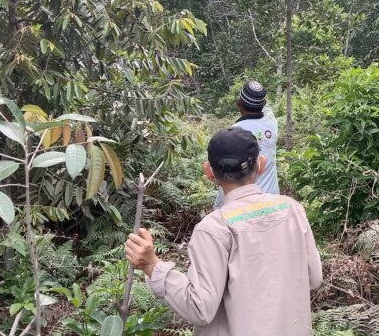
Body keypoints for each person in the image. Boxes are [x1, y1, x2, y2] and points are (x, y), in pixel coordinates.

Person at [125, 127, 323, 335]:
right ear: (261, 164)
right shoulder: (291, 208)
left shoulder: (214, 228)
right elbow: (314, 278)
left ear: (209, 172)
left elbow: (200, 309)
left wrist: (153, 266)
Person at [216, 80, 278, 207]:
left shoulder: (232, 134)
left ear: (239, 103)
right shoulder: (272, 125)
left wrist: (218, 206)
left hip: (244, 207)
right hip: (272, 202)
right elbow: (267, 109)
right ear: (264, 103)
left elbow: (228, 177)